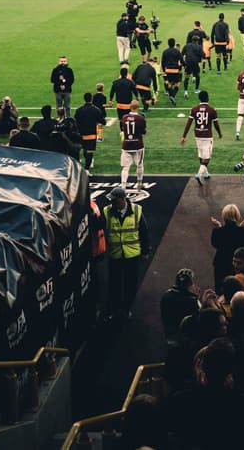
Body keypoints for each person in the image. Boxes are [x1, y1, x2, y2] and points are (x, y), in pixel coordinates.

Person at [103, 186, 149, 321]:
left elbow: (144, 232)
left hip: (132, 255)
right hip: (115, 254)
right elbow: (97, 225)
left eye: (115, 201)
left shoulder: (137, 211)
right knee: (114, 284)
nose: (112, 203)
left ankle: (126, 308)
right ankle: (114, 309)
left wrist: (146, 251)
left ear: (123, 199)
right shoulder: (107, 211)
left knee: (130, 284)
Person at [183, 89, 223, 185]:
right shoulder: (212, 110)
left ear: (199, 98)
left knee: (201, 154)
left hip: (197, 135)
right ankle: (199, 174)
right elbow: (216, 124)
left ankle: (205, 173)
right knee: (207, 157)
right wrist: (219, 133)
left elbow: (189, 123)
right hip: (207, 135)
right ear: (208, 98)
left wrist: (184, 136)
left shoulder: (194, 109)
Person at [118, 106, 147, 189]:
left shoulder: (124, 117)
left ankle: (123, 185)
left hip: (126, 145)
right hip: (138, 145)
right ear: (137, 108)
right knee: (140, 165)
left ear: (130, 108)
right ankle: (139, 183)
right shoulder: (141, 118)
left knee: (125, 167)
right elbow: (144, 132)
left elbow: (121, 128)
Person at [74, 92, 103, 171]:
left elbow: (75, 121)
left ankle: (83, 165)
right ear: (92, 99)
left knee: (84, 149)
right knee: (89, 151)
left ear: (84, 99)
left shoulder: (79, 110)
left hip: (81, 134)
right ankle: (87, 168)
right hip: (91, 135)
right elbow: (103, 121)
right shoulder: (96, 110)